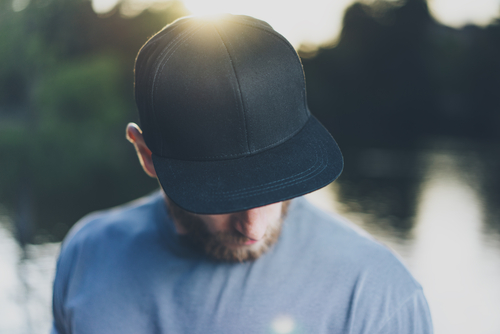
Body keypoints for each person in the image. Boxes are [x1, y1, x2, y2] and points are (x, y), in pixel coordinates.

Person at [51, 14, 433, 334]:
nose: (253, 227)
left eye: (277, 183)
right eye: (224, 194)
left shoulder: (377, 298)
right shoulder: (88, 254)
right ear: (146, 154)